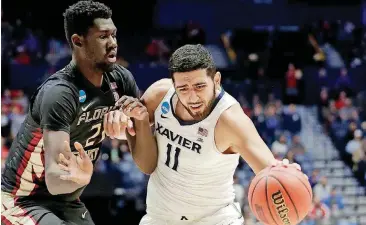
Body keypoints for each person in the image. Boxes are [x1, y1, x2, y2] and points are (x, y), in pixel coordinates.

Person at [110, 44, 304, 225]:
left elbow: (268, 171)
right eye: (183, 89)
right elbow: (131, 127)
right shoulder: (161, 95)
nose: (192, 97)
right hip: (160, 217)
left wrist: (284, 175)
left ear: (216, 80)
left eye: (200, 86)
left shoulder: (230, 120)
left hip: (215, 219)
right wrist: (119, 123)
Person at [1, 1, 139, 224]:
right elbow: (56, 180)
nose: (113, 43)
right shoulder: (59, 92)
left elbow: (138, 134)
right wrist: (84, 176)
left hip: (68, 201)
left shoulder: (121, 80)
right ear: (78, 41)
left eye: (114, 35)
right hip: (22, 199)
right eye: (103, 36)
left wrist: (129, 128)